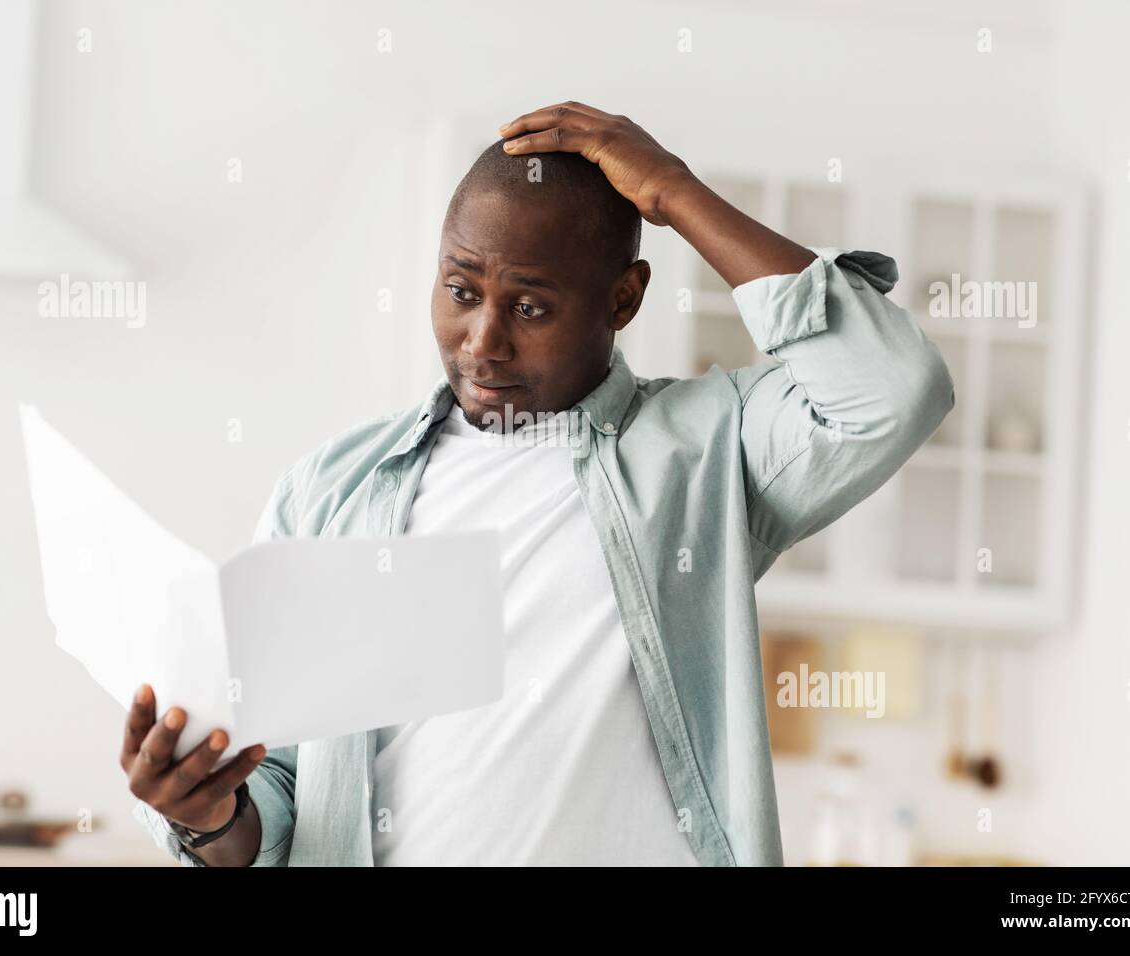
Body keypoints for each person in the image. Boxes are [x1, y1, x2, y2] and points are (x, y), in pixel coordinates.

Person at [124, 101, 954, 866]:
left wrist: (673, 192)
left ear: (622, 299)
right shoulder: (331, 489)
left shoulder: (708, 451)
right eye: (460, 291)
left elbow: (891, 387)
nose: (482, 343)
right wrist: (207, 814)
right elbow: (283, 791)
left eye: (529, 308)